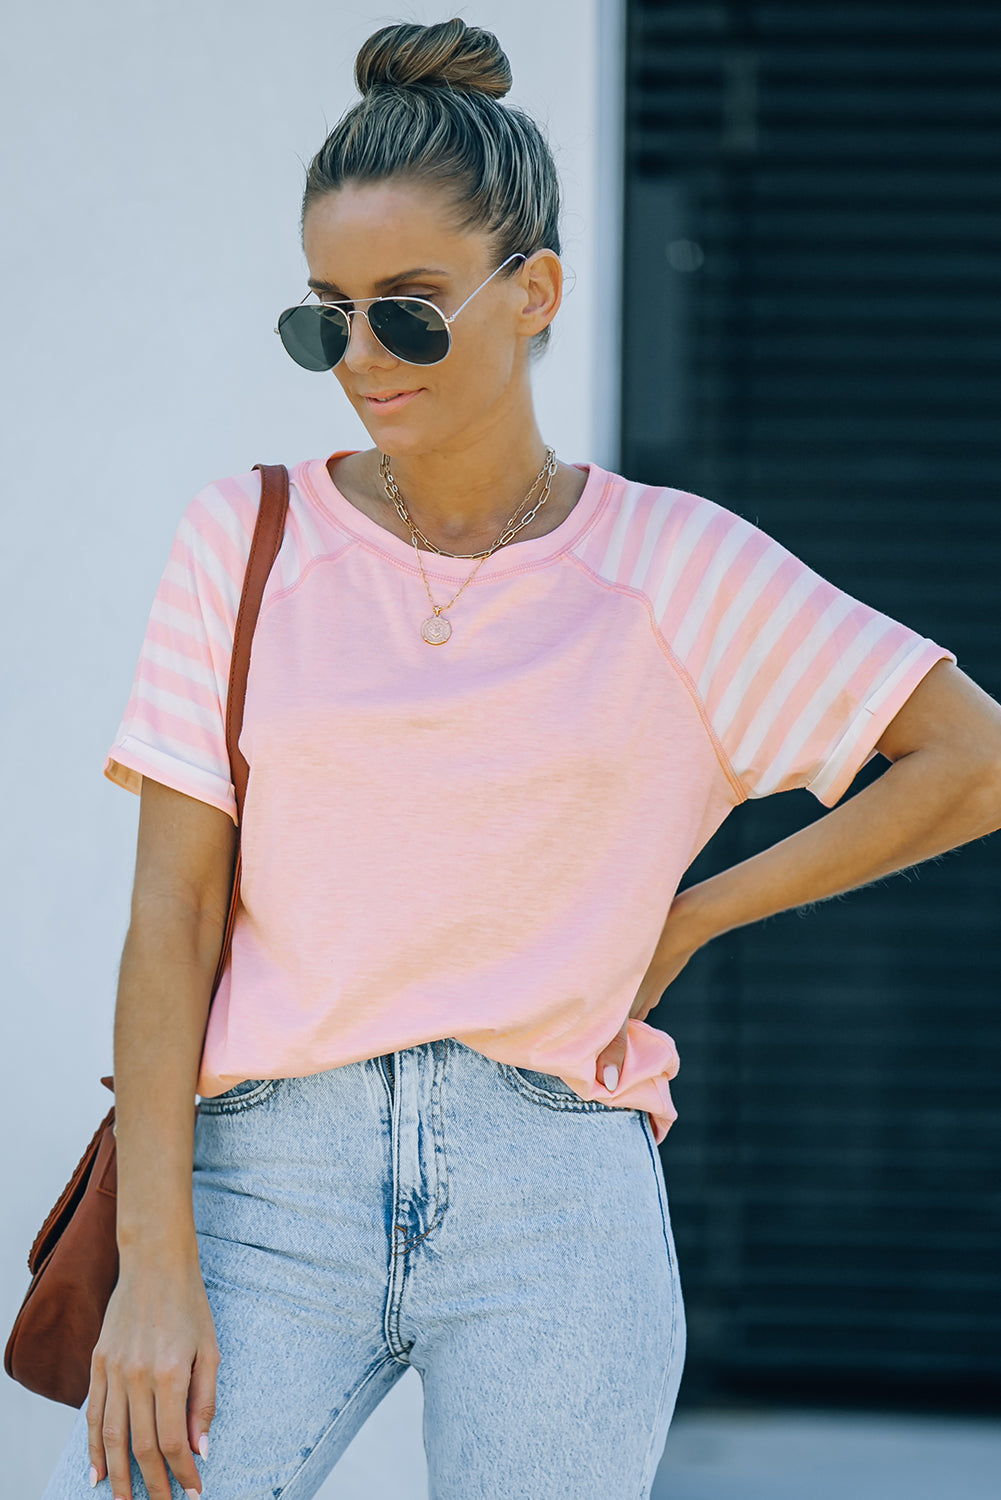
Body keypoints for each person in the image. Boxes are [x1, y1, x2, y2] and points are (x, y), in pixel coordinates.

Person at [41, 16, 1001, 1500]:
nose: (361, 359)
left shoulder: (673, 567)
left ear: (534, 290)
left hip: (553, 1185)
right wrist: (155, 1271)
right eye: (326, 317)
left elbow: (969, 757)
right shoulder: (247, 538)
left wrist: (693, 916)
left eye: (407, 313)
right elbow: (169, 915)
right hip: (264, 1183)